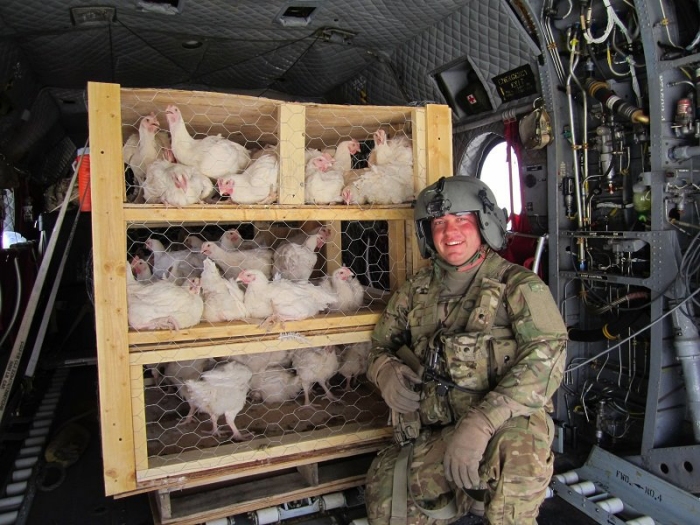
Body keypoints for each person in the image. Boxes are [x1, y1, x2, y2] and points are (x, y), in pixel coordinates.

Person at [364, 176, 567, 525]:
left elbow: (546, 357)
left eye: (462, 219)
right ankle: (464, 497)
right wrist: (385, 371)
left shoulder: (518, 285)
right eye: (439, 222)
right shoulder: (415, 292)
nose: (449, 231)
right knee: (386, 495)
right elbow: (380, 345)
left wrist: (482, 423)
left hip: (503, 429)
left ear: (484, 223)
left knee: (521, 452)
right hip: (439, 433)